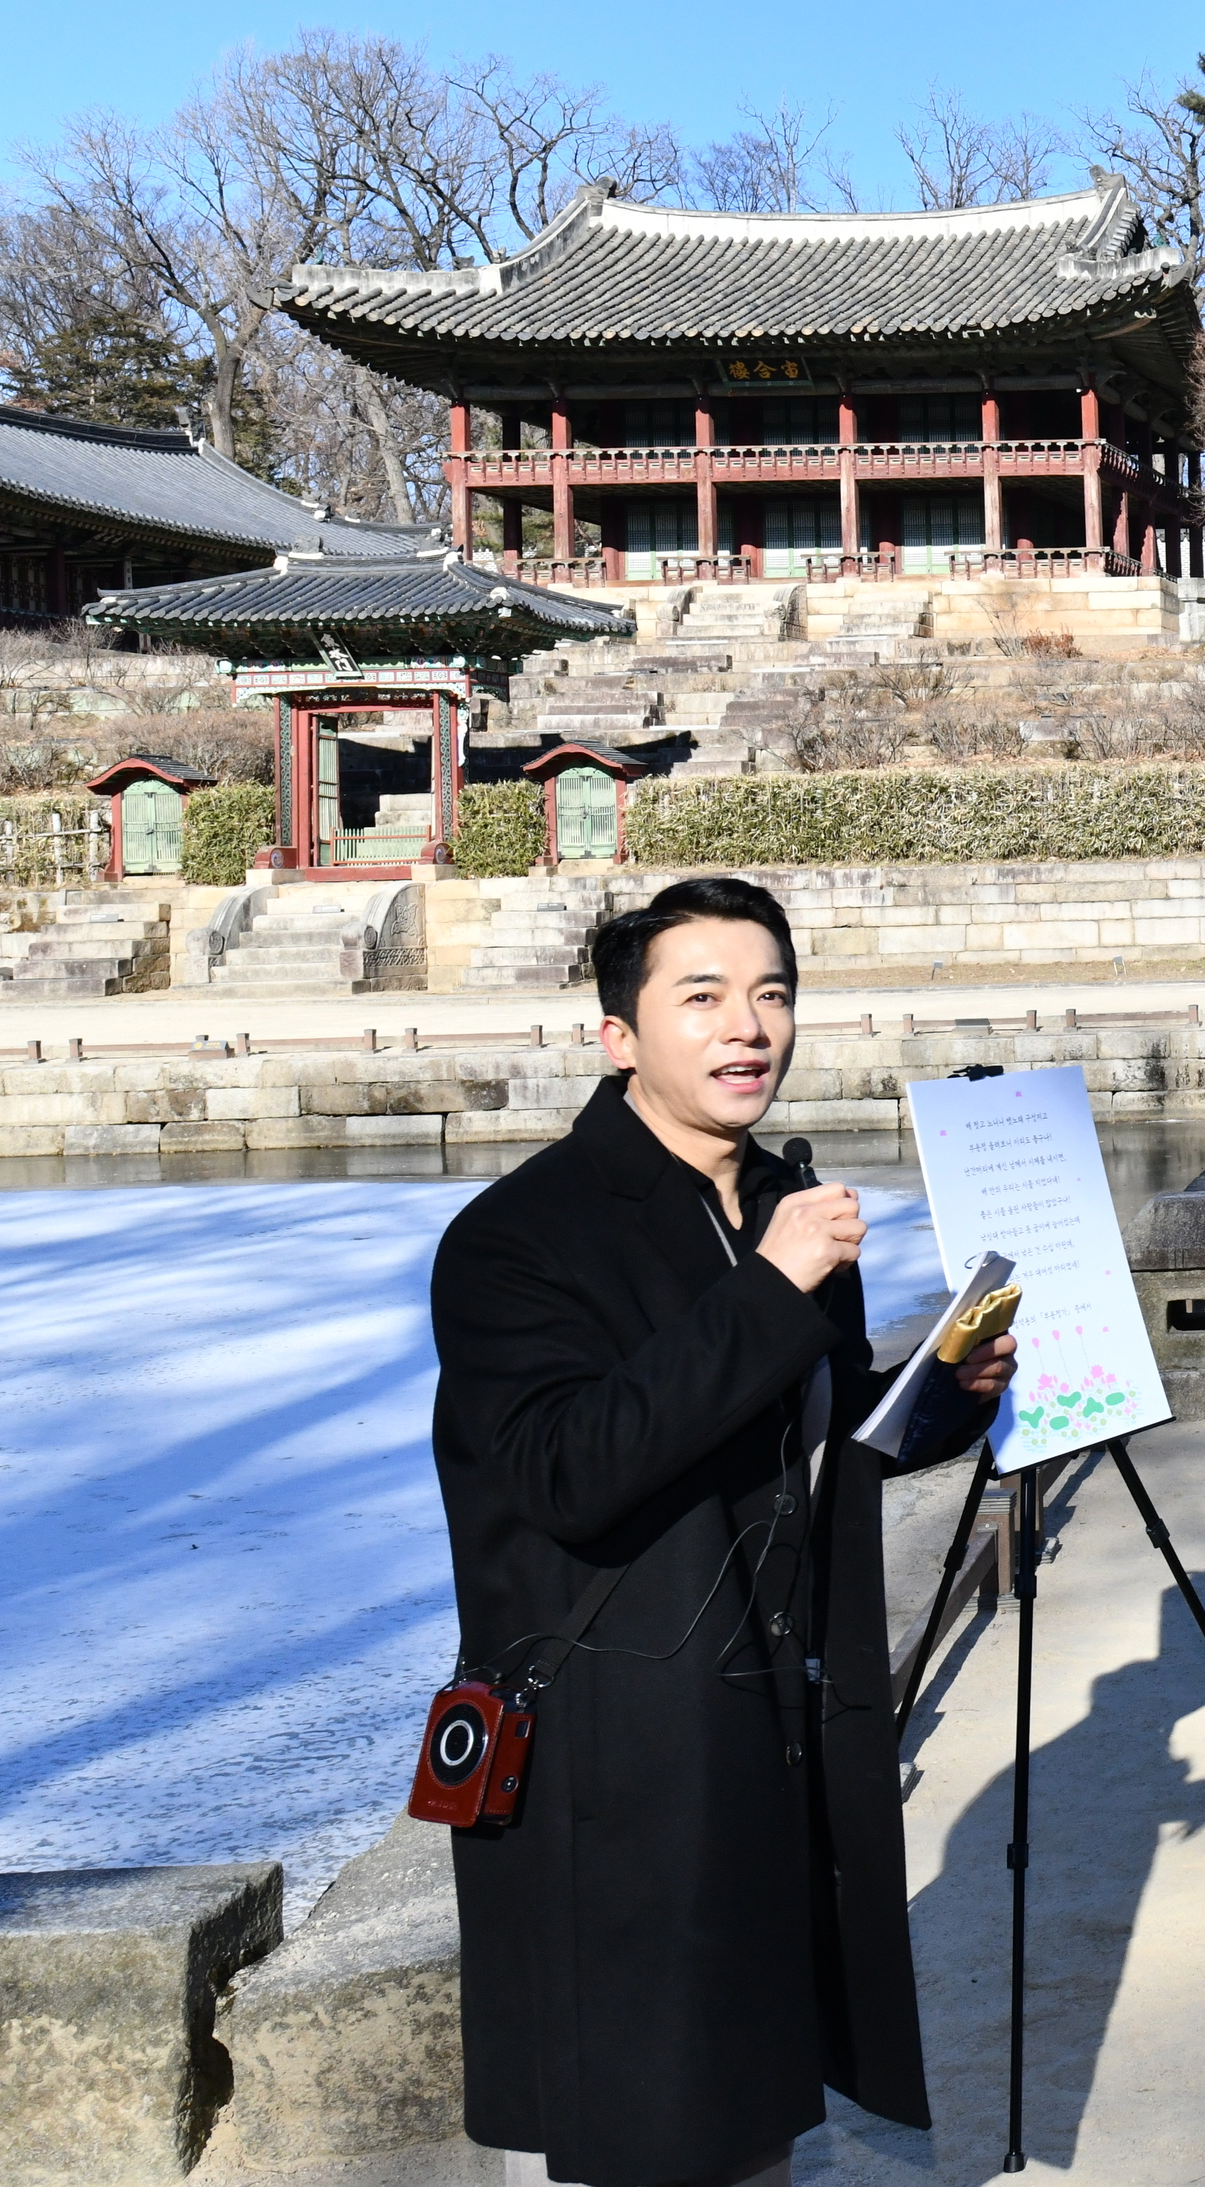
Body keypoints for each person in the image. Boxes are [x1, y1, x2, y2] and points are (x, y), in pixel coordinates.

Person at [431, 876, 1018, 2187]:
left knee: (755, 2128)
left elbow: (806, 1434)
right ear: (619, 1035)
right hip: (621, 1758)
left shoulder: (785, 1201)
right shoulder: (519, 1237)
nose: (748, 1023)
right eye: (701, 995)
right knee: (664, 2139)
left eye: (772, 991)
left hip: (771, 1727)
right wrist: (769, 1285)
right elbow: (571, 1474)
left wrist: (939, 1400)